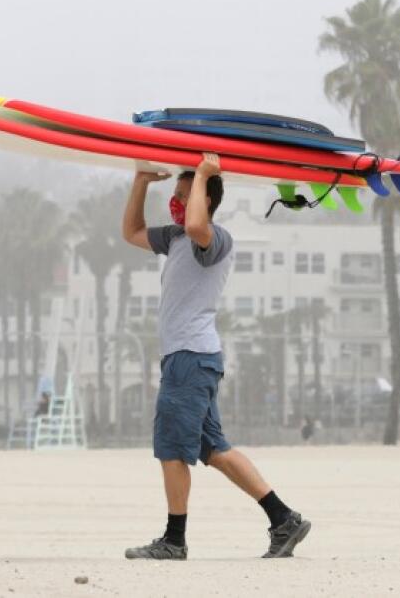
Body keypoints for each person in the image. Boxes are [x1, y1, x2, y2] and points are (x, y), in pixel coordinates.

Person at [121, 155, 310, 561]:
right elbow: (131, 231)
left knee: (171, 448)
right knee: (215, 451)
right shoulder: (173, 239)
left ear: (205, 200)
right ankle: (284, 520)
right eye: (175, 195)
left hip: (191, 356)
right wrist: (140, 180)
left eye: (185, 196)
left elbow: (195, 224)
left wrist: (206, 172)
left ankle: (174, 541)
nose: (177, 203)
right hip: (189, 358)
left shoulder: (214, 239)